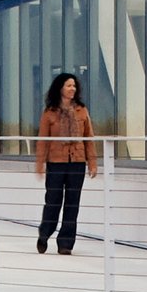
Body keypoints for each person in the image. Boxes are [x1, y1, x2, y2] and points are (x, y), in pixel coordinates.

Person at [34, 72, 99, 255]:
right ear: (60, 88)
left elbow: (89, 138)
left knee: (73, 204)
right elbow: (42, 140)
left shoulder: (82, 110)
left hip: (77, 162)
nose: (73, 89)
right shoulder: (50, 112)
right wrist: (40, 164)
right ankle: (45, 233)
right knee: (53, 201)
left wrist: (92, 163)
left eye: (74, 86)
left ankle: (66, 243)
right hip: (56, 162)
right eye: (69, 85)